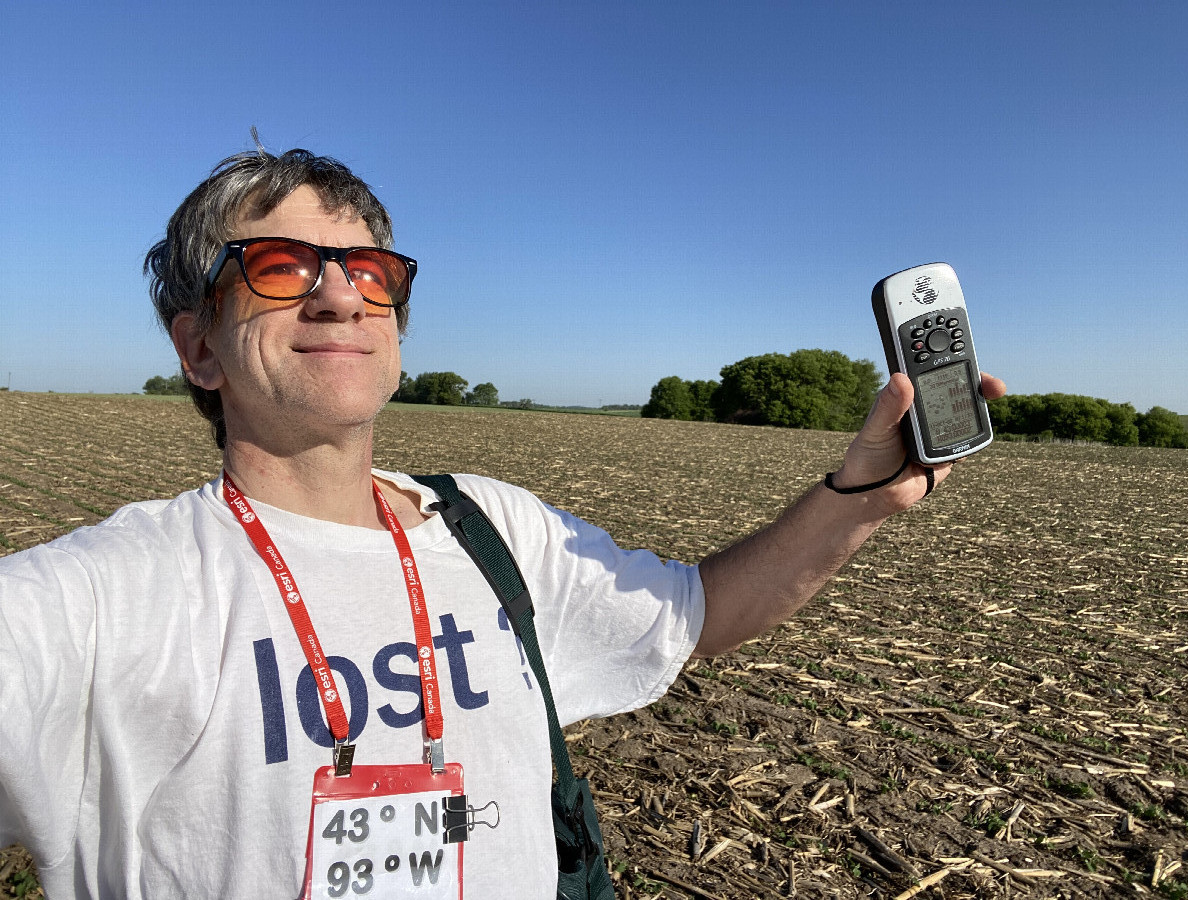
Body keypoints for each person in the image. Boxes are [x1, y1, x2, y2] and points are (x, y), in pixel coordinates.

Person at [0, 144, 1005, 899]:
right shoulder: (107, 598)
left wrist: (861, 499)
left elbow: (697, 615)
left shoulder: (492, 531)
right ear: (199, 347)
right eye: (278, 267)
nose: (341, 297)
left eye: (369, 272)